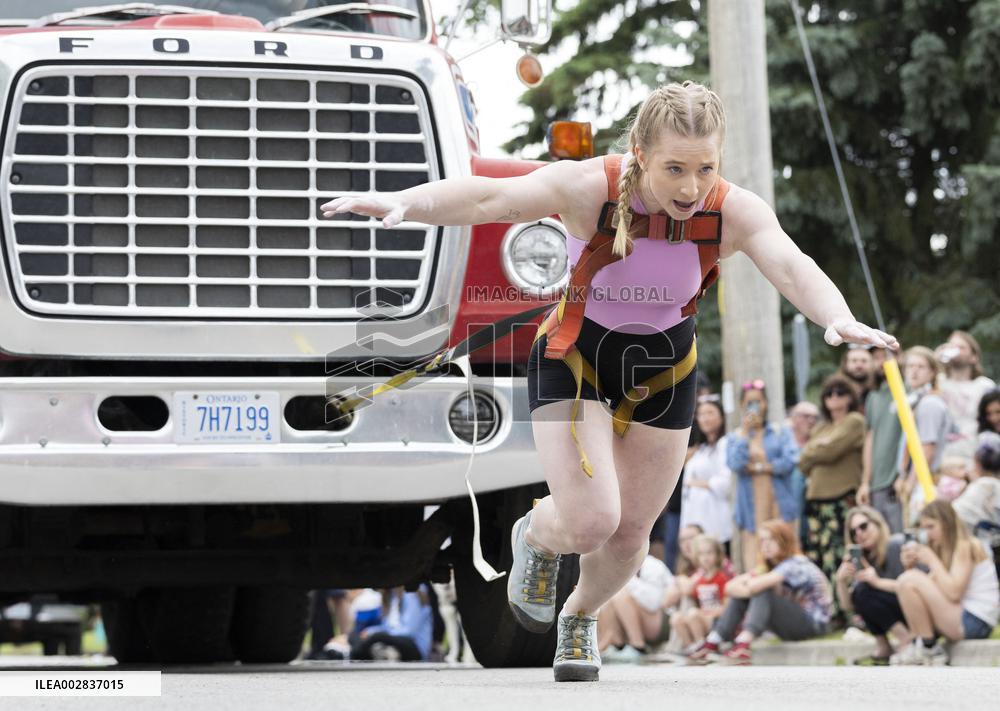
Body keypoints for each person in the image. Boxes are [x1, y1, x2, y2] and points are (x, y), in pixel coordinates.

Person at [321, 80, 898, 682]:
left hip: (664, 371)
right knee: (591, 519)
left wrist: (837, 317)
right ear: (641, 155)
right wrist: (406, 203)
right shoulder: (588, 189)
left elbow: (790, 262)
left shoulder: (731, 210)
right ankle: (539, 534)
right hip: (576, 357)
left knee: (627, 539)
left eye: (706, 168)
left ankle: (580, 616)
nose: (691, 187)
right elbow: (492, 196)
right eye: (675, 168)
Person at [687, 520, 833, 665]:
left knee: (763, 591)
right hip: (794, 624)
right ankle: (714, 640)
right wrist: (749, 588)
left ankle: (744, 642)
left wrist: (750, 587)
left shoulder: (795, 563)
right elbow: (729, 587)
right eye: (762, 540)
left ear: (784, 541)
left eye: (772, 539)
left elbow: (753, 587)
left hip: (815, 625)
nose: (766, 545)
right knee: (752, 591)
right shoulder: (770, 567)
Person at [890, 499, 999, 665]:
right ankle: (921, 643)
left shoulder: (966, 545)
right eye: (924, 528)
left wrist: (931, 560)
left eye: (931, 527)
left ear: (947, 524)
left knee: (909, 579)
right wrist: (910, 567)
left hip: (975, 621)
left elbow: (954, 592)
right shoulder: (946, 549)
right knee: (906, 580)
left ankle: (929, 648)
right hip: (963, 617)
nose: (927, 534)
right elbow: (919, 592)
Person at [799, 375, 865, 608]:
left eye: (840, 392)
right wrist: (818, 450)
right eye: (829, 393)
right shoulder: (822, 427)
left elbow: (833, 450)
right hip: (816, 501)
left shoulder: (854, 421)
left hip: (842, 498)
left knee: (842, 555)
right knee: (820, 557)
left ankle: (850, 608)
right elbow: (803, 461)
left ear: (850, 397)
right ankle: (830, 608)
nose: (834, 397)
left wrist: (815, 450)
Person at [728, 381, 801, 573]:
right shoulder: (736, 437)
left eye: (758, 401)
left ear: (766, 404)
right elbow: (735, 464)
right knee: (755, 565)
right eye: (749, 402)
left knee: (787, 562)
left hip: (780, 509)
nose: (755, 406)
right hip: (752, 515)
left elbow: (790, 461)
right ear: (742, 405)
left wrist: (759, 467)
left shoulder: (780, 431)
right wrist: (745, 433)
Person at [834, 506, 910, 665]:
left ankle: (905, 640)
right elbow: (849, 606)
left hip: (914, 612)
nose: (859, 534)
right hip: (897, 611)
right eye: (854, 532)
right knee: (859, 591)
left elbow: (915, 587)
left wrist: (877, 582)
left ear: (877, 523)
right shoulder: (863, 559)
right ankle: (883, 645)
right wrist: (840, 581)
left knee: (865, 589)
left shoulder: (896, 544)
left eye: (863, 526)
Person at [895, 347, 957, 527]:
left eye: (921, 366)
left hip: (926, 481)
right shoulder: (916, 400)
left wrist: (910, 482)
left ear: (932, 372)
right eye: (910, 366)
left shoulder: (930, 403)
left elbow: (927, 448)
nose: (914, 371)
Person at [679, 397, 734, 553]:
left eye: (710, 413)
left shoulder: (725, 444)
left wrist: (696, 483)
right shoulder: (702, 449)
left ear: (721, 416)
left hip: (718, 519)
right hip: (696, 520)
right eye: (701, 414)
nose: (705, 418)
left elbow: (725, 482)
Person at [859, 351, 905, 532]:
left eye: (886, 356)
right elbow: (869, 440)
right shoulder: (873, 397)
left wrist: (903, 476)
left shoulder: (907, 391)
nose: (881, 362)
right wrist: (865, 482)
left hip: (897, 483)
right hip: (876, 484)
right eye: (876, 358)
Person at [596, 553, 674, 659]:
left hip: (662, 621)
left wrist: (626, 579)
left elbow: (653, 604)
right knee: (608, 598)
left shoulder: (653, 565)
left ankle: (638, 646)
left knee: (620, 595)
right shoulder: (617, 564)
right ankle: (617, 646)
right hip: (644, 618)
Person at [936, 331, 996, 457]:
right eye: (951, 346)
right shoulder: (938, 382)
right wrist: (936, 360)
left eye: (961, 347)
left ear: (973, 357)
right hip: (942, 455)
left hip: (975, 454)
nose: (955, 350)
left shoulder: (984, 385)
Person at [672, 534, 731, 653]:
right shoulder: (699, 580)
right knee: (676, 618)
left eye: (709, 553)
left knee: (693, 614)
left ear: (718, 555)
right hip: (702, 617)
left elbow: (727, 606)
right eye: (701, 554)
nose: (705, 557)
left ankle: (702, 646)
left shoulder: (722, 578)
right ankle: (690, 647)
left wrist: (707, 613)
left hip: (717, 619)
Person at [788, 401, 821, 541]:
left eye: (815, 417)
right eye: (806, 416)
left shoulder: (819, 441)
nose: (811, 421)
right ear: (794, 418)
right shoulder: (785, 440)